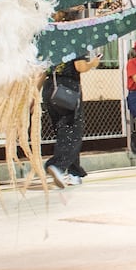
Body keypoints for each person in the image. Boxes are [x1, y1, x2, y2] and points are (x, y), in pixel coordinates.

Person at [42, 48, 100, 188]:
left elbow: (42, 72)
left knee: (64, 132)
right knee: (74, 132)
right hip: (67, 89)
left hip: (50, 88)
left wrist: (34, 94)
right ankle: (57, 166)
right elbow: (80, 67)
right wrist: (93, 63)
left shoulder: (50, 44)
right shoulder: (75, 43)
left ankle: (74, 173)